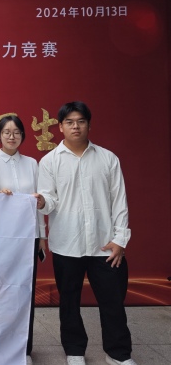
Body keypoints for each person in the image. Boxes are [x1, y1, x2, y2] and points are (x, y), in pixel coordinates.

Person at [37, 102, 136, 365]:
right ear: (60, 127)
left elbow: (119, 201)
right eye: (69, 122)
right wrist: (42, 202)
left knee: (112, 301)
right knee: (69, 301)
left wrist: (120, 239)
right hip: (66, 243)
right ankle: (74, 351)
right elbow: (49, 199)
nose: (75, 126)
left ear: (89, 125)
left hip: (105, 245)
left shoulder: (107, 158)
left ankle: (118, 354)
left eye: (80, 121)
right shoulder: (49, 162)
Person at [0, 115, 47, 365]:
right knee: (1, 292)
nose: (11, 136)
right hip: (2, 238)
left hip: (28, 237)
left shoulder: (32, 163)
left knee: (25, 292)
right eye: (6, 132)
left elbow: (38, 202)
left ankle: (24, 348)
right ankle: (0, 345)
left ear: (23, 136)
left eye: (16, 132)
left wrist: (42, 235)